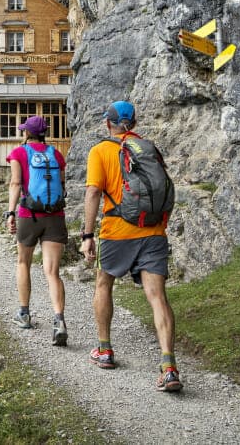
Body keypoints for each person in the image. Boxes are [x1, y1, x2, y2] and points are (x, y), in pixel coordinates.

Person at [80, 100, 183, 392]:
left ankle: (105, 350)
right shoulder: (148, 149)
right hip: (153, 231)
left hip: (116, 231)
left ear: (107, 123)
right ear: (134, 123)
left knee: (103, 284)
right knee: (157, 296)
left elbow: (92, 193)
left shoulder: (101, 150)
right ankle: (169, 367)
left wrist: (88, 235)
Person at [4, 115, 68, 346]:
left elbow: (15, 184)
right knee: (52, 272)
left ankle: (24, 314)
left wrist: (10, 213)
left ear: (27, 133)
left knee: (24, 263)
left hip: (29, 215)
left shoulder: (19, 153)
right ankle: (59, 320)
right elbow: (61, 183)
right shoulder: (56, 154)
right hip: (55, 216)